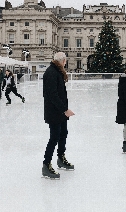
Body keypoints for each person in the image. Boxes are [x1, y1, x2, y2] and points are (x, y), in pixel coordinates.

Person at [42, 52, 75, 180]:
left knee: (63, 134)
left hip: (60, 111)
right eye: (65, 61)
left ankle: (61, 158)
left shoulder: (57, 71)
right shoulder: (51, 72)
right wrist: (65, 109)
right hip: (54, 112)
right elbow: (52, 95)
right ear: (62, 61)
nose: (65, 63)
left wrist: (64, 110)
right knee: (54, 137)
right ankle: (46, 164)